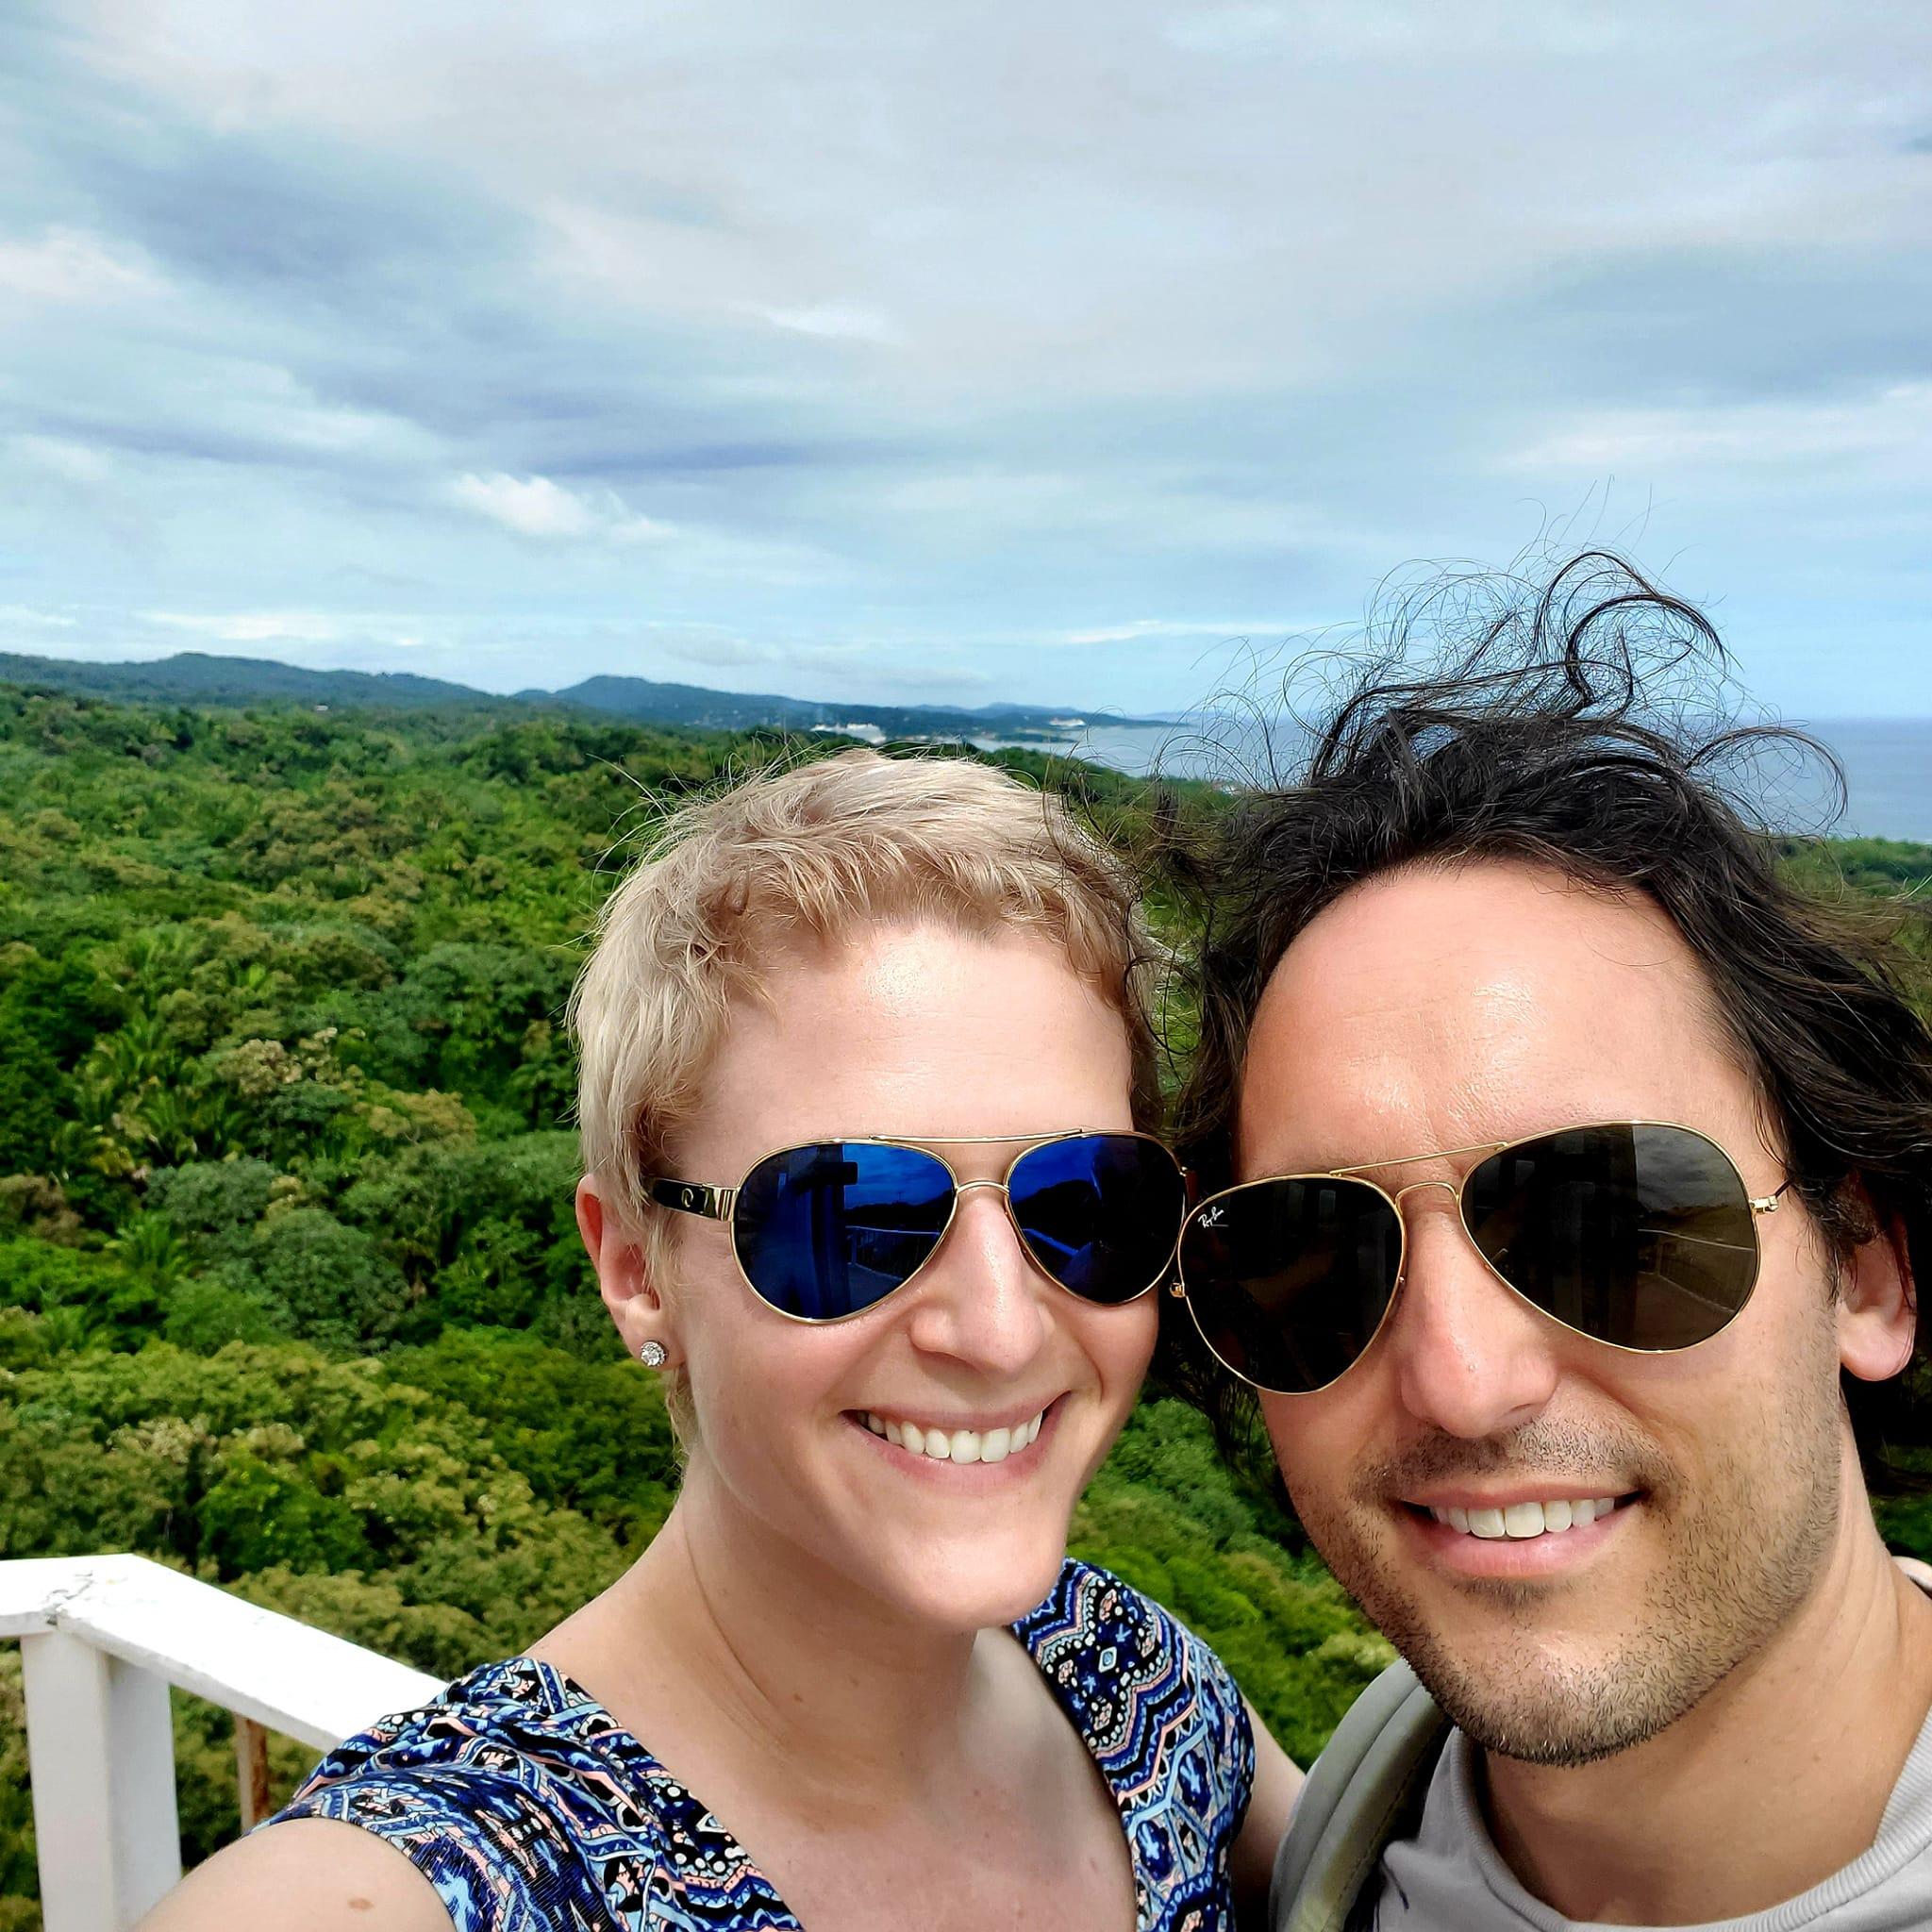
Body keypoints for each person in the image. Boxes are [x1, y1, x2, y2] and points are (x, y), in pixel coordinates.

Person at [143, 746, 1298, 1932]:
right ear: (635, 1266)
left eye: (1082, 1200)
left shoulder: (1135, 1686)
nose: (998, 1328)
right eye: (848, 1218)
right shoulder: (462, 1876)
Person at [1164, 556, 1932, 1929]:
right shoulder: (1363, 1815)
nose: (1462, 1379)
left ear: (1863, 1268)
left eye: (1609, 1220)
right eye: (1312, 1253)